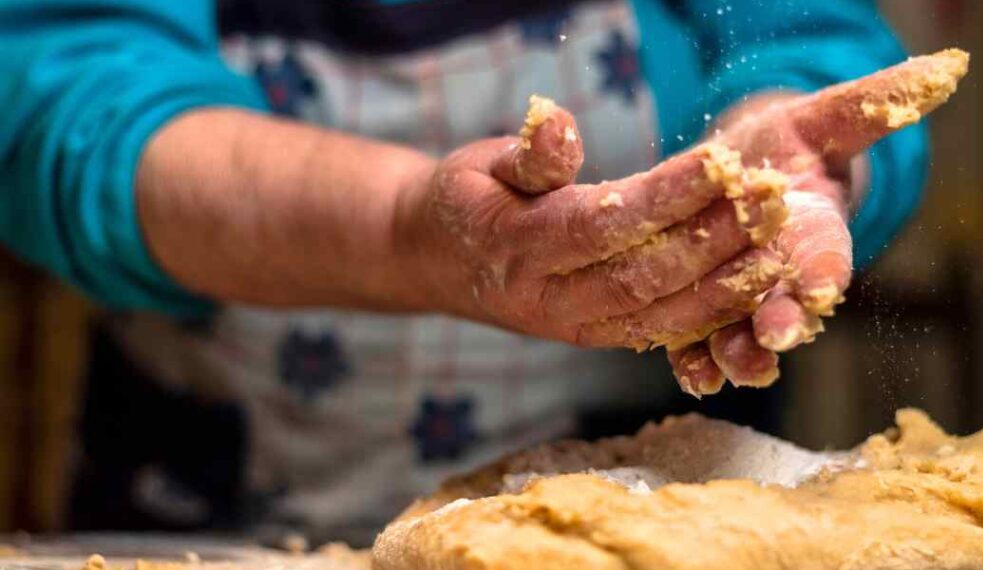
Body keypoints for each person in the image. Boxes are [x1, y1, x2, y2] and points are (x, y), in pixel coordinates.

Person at [0, 0, 933, 533]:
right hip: (219, 510)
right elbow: (66, 105)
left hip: (661, 512)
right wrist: (412, 233)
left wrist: (794, 160)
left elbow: (802, 34)